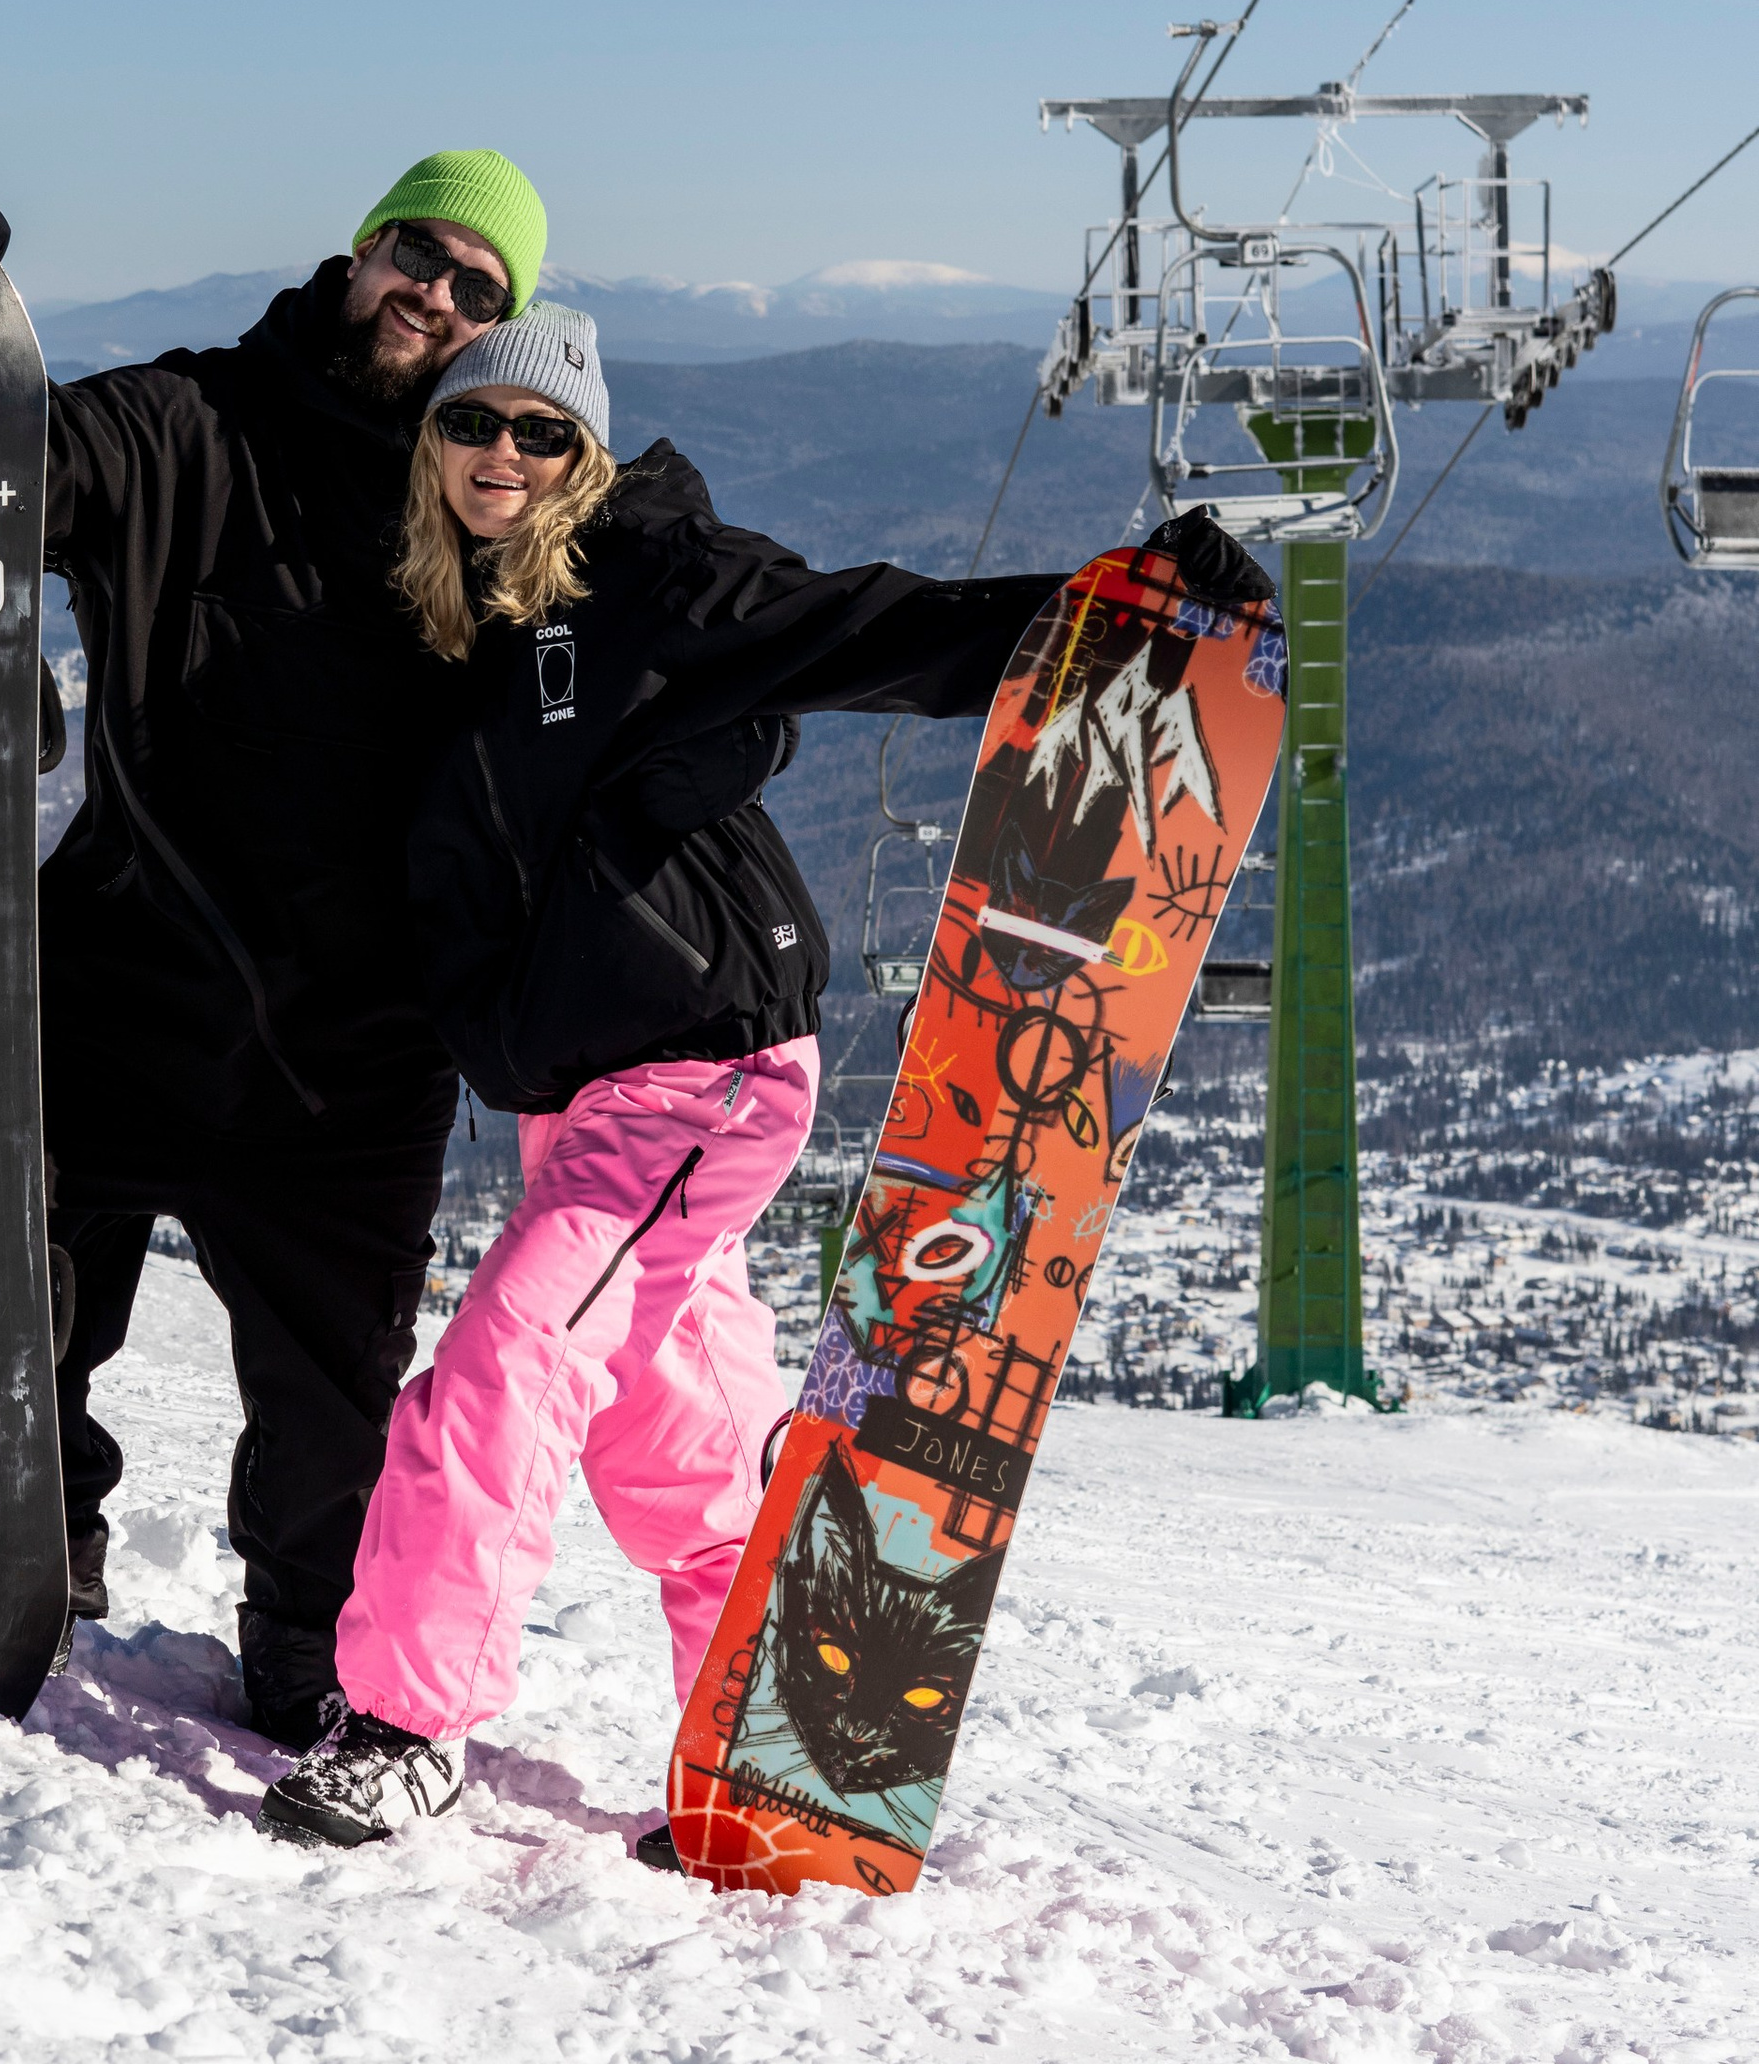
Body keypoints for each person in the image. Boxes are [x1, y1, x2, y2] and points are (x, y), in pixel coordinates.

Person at [260, 310, 1260, 1850]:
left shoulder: (648, 580)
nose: (503, 457)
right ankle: (772, 1740)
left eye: (543, 434)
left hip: (694, 1077)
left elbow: (864, 628)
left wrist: (1111, 621)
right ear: (432, 447)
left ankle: (406, 1724)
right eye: (474, 427)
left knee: (511, 1361)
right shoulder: (449, 622)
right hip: (580, 1097)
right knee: (671, 1442)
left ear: (585, 453)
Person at [0, 150, 551, 1748]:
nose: (434, 294)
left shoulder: (495, 488)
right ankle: (34, 1557)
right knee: (14, 1323)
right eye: (417, 254)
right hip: (114, 990)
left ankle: (305, 1653)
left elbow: (694, 602)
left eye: (476, 289)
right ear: (361, 248)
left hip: (353, 1067)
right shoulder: (188, 423)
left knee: (331, 1422)